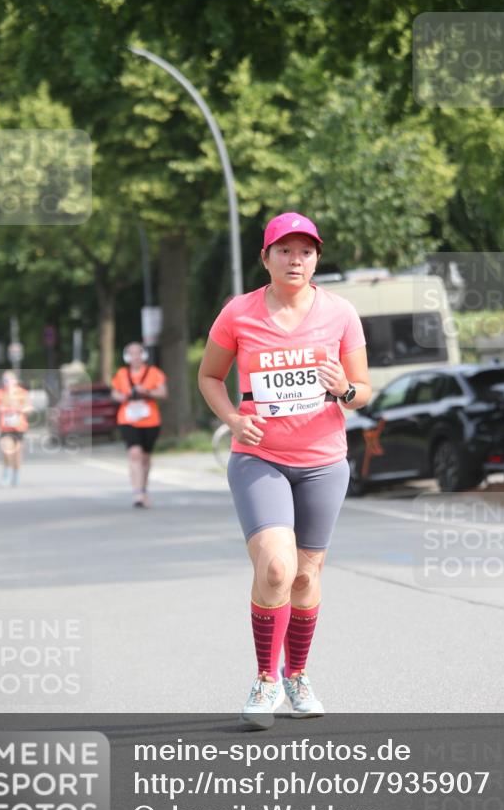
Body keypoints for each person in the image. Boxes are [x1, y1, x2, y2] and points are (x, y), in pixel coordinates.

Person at [198, 211, 371, 728]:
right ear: (266, 258)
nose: (296, 260)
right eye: (285, 251)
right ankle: (265, 680)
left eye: (306, 251)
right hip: (259, 458)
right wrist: (232, 418)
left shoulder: (340, 313)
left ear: (316, 258)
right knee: (276, 566)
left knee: (306, 574)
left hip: (323, 462)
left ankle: (297, 674)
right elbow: (209, 375)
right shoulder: (239, 313)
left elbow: (363, 392)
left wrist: (343, 387)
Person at [111, 342, 167, 508]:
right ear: (127, 357)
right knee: (134, 453)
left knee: (145, 457)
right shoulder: (121, 374)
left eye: (138, 353)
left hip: (150, 421)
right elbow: (115, 393)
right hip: (127, 420)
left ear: (143, 356)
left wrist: (146, 392)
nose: (135, 357)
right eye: (131, 354)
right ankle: (138, 494)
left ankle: (143, 487)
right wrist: (122, 396)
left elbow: (163, 393)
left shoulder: (154, 372)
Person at [0, 371, 32, 486]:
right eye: (5, 380)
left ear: (15, 381)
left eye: (10, 380)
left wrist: (19, 408)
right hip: (5, 428)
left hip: (19, 427)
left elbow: (29, 408)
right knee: (6, 451)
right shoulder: (0, 393)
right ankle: (6, 473)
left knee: (17, 453)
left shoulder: (22, 392)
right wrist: (2, 408)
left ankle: (16, 473)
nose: (8, 383)